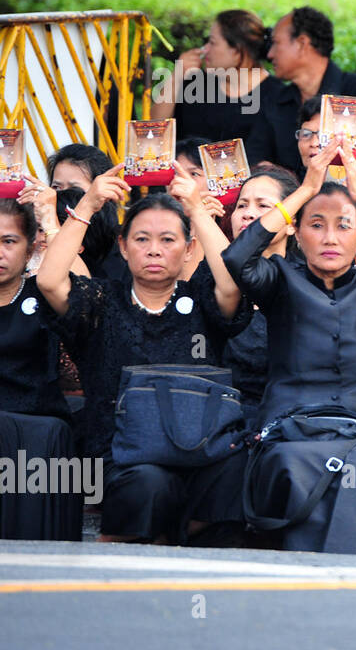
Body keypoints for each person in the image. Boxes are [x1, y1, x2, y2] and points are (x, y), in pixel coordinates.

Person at [221, 144, 356, 554]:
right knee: (294, 466)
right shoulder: (279, 278)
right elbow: (237, 257)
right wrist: (303, 191)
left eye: (344, 225)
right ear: (297, 233)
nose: (331, 238)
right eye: (316, 225)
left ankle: (331, 570)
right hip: (291, 428)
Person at [37, 168, 251, 544]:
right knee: (152, 481)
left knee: (237, 465)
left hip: (201, 451)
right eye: (142, 239)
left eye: (168, 239)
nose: (154, 249)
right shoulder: (102, 304)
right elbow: (50, 280)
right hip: (124, 459)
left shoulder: (200, 302)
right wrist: (89, 202)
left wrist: (198, 212)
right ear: (122, 246)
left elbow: (232, 280)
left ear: (188, 249)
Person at [0, 199, 80, 541]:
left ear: (31, 246)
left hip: (39, 425)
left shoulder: (45, 293)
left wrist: (51, 221)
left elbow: (86, 298)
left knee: (46, 436)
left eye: (9, 241)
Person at [246, 6, 356, 175]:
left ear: (301, 44)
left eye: (276, 43)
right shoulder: (275, 100)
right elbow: (255, 160)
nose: (270, 54)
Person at [221, 164, 300, 415]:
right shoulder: (212, 280)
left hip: (287, 423)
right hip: (220, 422)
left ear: (291, 224)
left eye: (263, 206)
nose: (247, 213)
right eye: (241, 205)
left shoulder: (306, 283)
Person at [152, 10, 286, 145]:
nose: (205, 49)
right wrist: (176, 76)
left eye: (212, 42)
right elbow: (154, 130)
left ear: (237, 51)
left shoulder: (277, 98)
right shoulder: (196, 84)